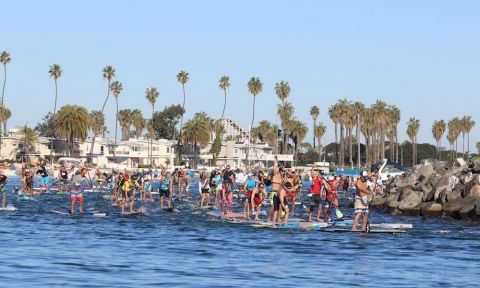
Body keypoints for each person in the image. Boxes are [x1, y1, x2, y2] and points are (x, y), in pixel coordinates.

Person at [271, 156, 288, 226]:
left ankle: (279, 220)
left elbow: (287, 184)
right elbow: (275, 167)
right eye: (281, 171)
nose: (282, 173)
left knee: (282, 207)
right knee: (275, 209)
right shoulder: (275, 175)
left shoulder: (282, 178)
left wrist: (284, 178)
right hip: (274, 193)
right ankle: (273, 223)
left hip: (281, 194)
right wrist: (276, 160)